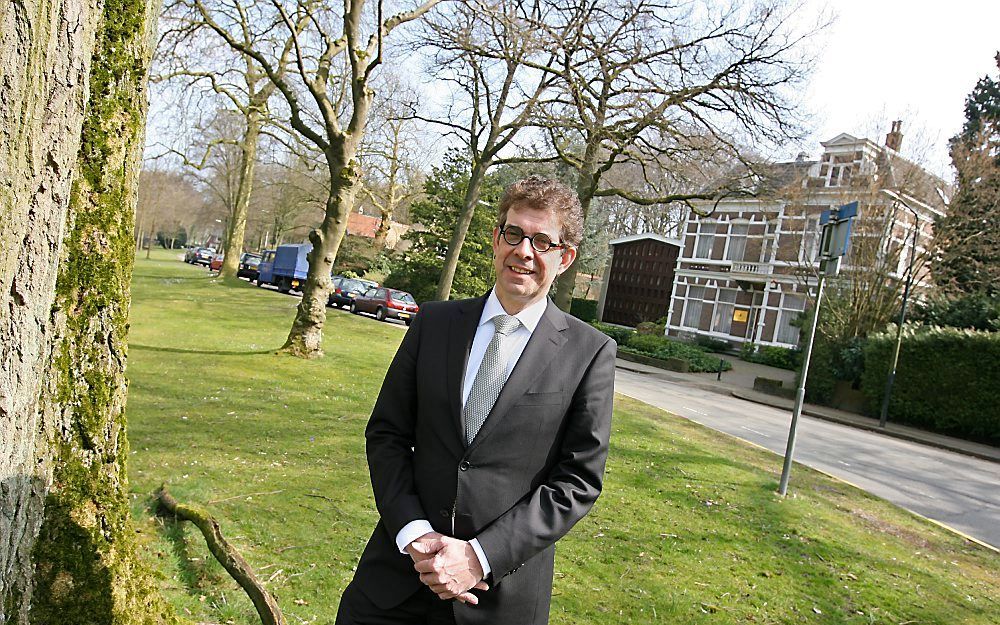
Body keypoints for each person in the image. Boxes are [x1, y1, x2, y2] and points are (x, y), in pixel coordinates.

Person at [336, 176, 617, 625]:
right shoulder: (434, 322)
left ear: (564, 258)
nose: (524, 251)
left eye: (542, 241)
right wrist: (415, 534)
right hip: (395, 586)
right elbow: (387, 434)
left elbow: (577, 481)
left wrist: (479, 556)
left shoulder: (589, 353)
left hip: (499, 599)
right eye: (514, 234)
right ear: (496, 238)